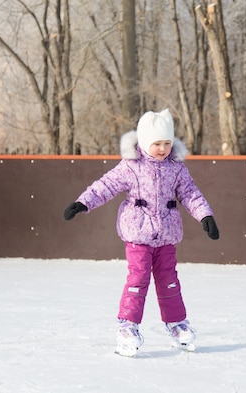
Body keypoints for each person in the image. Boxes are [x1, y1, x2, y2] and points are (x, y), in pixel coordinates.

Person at [63, 109, 219, 357]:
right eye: (157, 143)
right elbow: (106, 185)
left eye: (167, 143)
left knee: (169, 281)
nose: (162, 148)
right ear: (146, 142)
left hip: (166, 235)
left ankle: (177, 324)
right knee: (138, 280)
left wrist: (205, 216)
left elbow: (191, 194)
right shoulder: (131, 166)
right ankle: (128, 326)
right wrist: (84, 203)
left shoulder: (176, 169)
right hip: (138, 235)